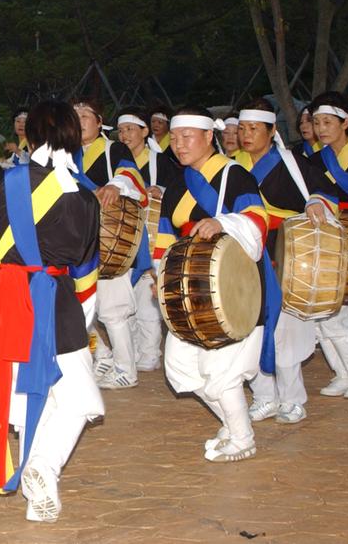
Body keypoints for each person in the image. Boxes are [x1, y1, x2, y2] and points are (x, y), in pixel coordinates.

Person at [0, 99, 103, 523]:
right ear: (74, 139)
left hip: (7, 298)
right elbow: (85, 268)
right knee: (77, 398)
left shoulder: (0, 184)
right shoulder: (82, 194)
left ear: (31, 134)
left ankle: (41, 484)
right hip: (55, 300)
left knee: (25, 391)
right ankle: (43, 468)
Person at [156, 106, 269, 463]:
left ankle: (242, 437)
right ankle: (234, 425)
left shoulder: (234, 175)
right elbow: (164, 234)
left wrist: (225, 223)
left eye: (187, 137)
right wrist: (159, 274)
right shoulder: (177, 183)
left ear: (209, 137)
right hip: (190, 291)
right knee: (182, 365)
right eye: (174, 138)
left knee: (223, 371)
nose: (179, 144)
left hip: (235, 287)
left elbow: (256, 219)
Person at [237, 99, 337, 425]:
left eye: (254, 128)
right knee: (250, 327)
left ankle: (293, 399)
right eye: (242, 128)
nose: (247, 135)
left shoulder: (291, 163)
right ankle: (264, 396)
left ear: (272, 130)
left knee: (283, 332)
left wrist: (315, 202)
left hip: (284, 253)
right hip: (246, 253)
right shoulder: (232, 166)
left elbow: (324, 190)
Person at [72, 99, 148, 390]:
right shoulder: (68, 154)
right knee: (74, 305)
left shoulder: (113, 148)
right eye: (74, 116)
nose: (79, 121)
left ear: (99, 120)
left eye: (85, 115)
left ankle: (126, 370)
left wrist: (116, 185)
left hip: (110, 237)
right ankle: (101, 354)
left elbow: (129, 174)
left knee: (112, 310)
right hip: (77, 238)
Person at [114, 107, 179, 372]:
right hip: (125, 235)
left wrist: (161, 190)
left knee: (147, 296)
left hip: (154, 236)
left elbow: (178, 189)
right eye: (120, 130)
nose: (124, 135)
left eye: (130, 129)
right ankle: (132, 349)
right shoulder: (116, 160)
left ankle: (150, 351)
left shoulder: (162, 161)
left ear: (145, 131)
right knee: (123, 298)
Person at [306, 93, 348, 398]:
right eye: (316, 122)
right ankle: (343, 374)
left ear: (346, 122)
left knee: (337, 316)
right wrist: (315, 200)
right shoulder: (316, 160)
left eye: (327, 122)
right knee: (325, 315)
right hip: (333, 236)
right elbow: (314, 192)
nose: (321, 129)